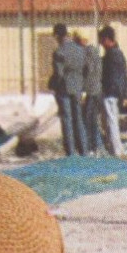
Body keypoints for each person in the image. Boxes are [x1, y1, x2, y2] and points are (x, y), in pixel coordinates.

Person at [47, 23, 87, 157]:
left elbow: (58, 74)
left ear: (57, 35)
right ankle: (83, 150)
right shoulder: (80, 49)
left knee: (67, 119)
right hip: (78, 87)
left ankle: (70, 152)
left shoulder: (59, 52)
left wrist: (52, 85)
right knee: (79, 118)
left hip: (64, 88)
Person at [98, 26, 127, 159]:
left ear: (107, 39)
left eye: (101, 40)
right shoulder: (118, 53)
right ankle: (118, 148)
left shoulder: (112, 55)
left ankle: (116, 150)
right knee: (113, 120)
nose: (101, 44)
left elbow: (113, 77)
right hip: (116, 92)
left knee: (111, 121)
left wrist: (109, 90)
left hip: (111, 92)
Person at [75, 30, 103, 156]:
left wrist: (84, 91)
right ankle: (96, 147)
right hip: (96, 89)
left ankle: (94, 147)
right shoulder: (94, 51)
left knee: (89, 119)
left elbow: (88, 71)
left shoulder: (88, 53)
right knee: (92, 119)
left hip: (91, 90)